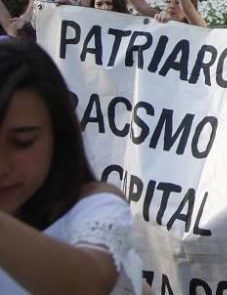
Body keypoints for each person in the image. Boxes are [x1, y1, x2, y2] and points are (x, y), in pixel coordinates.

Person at [0, 40, 143, 293]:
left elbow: (87, 282)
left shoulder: (94, 207)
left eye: (23, 142)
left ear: (58, 134)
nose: (2, 167)